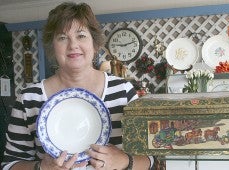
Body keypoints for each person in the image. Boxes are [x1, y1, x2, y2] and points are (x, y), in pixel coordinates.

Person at [1, 2, 153, 170]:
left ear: (95, 44)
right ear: (52, 46)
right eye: (62, 37)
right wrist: (41, 168)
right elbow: (10, 165)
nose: (73, 45)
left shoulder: (123, 91)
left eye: (81, 35)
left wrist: (125, 161)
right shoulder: (29, 98)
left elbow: (150, 158)